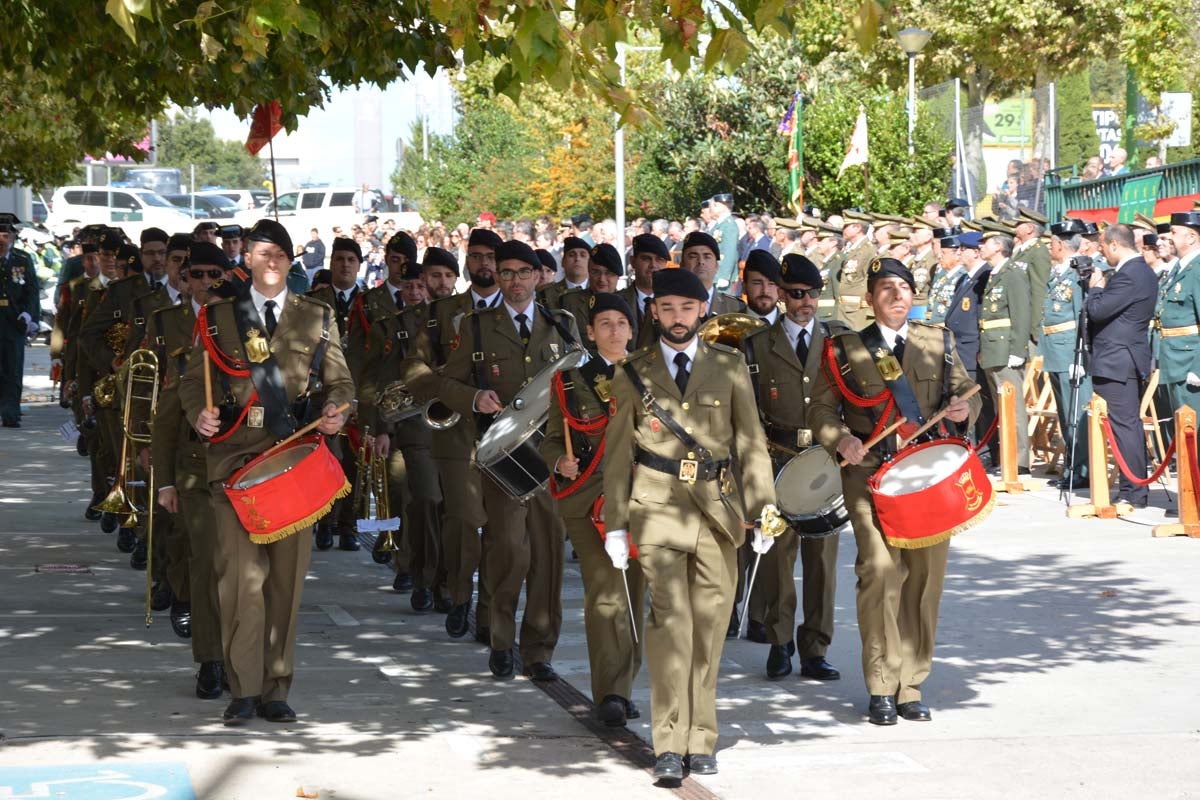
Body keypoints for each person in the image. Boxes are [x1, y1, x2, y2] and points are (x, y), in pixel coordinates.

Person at [602, 267, 778, 781]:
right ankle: (668, 741)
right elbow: (617, 457)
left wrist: (764, 509)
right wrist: (616, 524)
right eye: (666, 309)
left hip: (719, 513)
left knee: (710, 625)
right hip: (656, 509)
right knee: (669, 623)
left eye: (686, 309)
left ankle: (702, 733)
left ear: (703, 311)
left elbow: (751, 446)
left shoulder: (729, 366)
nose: (677, 319)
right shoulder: (632, 371)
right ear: (653, 312)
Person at [180, 219, 354, 726]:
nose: (272, 261)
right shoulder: (217, 318)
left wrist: (340, 409)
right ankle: (244, 688)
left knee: (285, 583)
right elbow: (193, 384)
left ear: (289, 258)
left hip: (292, 462)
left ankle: (277, 686)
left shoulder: (315, 316)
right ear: (248, 260)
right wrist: (200, 415)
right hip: (234, 462)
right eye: (263, 253)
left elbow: (341, 382)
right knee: (240, 582)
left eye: (280, 253)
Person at [809, 257, 980, 725]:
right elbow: (821, 409)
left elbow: (967, 390)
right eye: (886, 288)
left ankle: (911, 684)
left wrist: (964, 408)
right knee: (880, 574)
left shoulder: (937, 341)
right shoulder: (843, 348)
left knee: (924, 583)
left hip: (927, 482)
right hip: (870, 477)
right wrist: (837, 437)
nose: (897, 295)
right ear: (869, 299)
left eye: (904, 287)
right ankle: (881, 684)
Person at [438, 240, 579, 682]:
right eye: (506, 273)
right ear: (496, 277)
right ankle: (501, 638)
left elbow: (581, 380)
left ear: (539, 276)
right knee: (509, 552)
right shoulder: (477, 327)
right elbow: (444, 384)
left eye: (523, 272)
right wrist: (473, 397)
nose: (514, 281)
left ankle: (539, 650)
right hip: (503, 460)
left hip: (553, 459)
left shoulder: (561, 324)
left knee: (548, 555)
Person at [540, 292, 644, 727]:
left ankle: (624, 681)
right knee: (605, 595)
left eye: (621, 322)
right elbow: (549, 439)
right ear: (590, 331)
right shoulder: (569, 380)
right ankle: (612, 694)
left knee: (633, 597)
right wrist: (558, 462)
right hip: (589, 499)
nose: (614, 331)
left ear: (632, 329)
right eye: (605, 323)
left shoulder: (651, 373)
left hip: (641, 499)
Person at [741, 253, 844, 681]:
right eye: (797, 295)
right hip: (778, 458)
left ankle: (815, 649)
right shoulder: (757, 345)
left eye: (812, 295)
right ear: (781, 295)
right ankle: (780, 643)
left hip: (825, 462)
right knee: (777, 560)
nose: (805, 303)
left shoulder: (839, 342)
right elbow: (746, 413)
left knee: (822, 562)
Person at [401, 228, 503, 641]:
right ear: (466, 262)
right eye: (475, 256)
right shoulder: (443, 313)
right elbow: (414, 370)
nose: (483, 264)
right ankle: (460, 596)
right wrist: (457, 395)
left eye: (490, 257)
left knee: (504, 529)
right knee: (463, 520)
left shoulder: (523, 310)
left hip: (510, 435)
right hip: (457, 433)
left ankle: (490, 612)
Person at [149, 241, 231, 699]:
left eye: (213, 275)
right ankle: (211, 660)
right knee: (206, 564)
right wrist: (163, 478)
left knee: (241, 570)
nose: (203, 283)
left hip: (243, 467)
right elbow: (164, 416)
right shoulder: (175, 331)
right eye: (196, 274)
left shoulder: (246, 329)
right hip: (195, 467)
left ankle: (244, 658)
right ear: (185, 279)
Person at [357, 251, 450, 613]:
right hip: (414, 425)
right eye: (428, 279)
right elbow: (378, 381)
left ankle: (448, 579)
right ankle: (422, 576)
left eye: (446, 277)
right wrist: (380, 428)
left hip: (460, 428)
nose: (429, 287)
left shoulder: (463, 318)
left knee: (453, 511)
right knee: (425, 500)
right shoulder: (396, 324)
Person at [1087, 223, 1158, 508]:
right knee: (1121, 425)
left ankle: (1134, 490)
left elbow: (1098, 310)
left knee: (1125, 425)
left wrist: (1095, 290)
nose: (1101, 252)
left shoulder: (1131, 274)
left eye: (1103, 246)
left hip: (1119, 359)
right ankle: (1130, 488)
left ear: (1116, 244)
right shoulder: (1132, 272)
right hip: (1116, 357)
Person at [307, 237, 367, 552]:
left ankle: (349, 526)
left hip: (358, 392)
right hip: (323, 393)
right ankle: (326, 522)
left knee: (355, 464)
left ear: (359, 265)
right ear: (331, 263)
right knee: (328, 458)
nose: (345, 265)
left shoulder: (370, 303)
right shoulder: (313, 301)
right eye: (340, 259)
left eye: (351, 260)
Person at [1040, 220, 1092, 490]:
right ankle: (1072, 465)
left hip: (1070, 350)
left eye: (1052, 243)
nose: (1050, 247)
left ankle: (1082, 469)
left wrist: (1079, 357)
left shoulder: (1078, 272)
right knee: (1064, 414)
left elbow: (1081, 317)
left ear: (1061, 245)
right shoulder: (1058, 272)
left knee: (1077, 413)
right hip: (1054, 349)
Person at [978, 231, 1032, 474]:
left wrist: (1018, 349)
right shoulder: (995, 274)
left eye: (985, 243)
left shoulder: (1012, 274)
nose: (981, 247)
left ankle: (1019, 461)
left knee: (1014, 408)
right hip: (992, 348)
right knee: (1002, 408)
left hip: (1006, 348)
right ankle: (1007, 457)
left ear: (998, 246)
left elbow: (1021, 313)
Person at [1154, 213, 1200, 416]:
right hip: (1172, 361)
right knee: (1179, 432)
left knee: (1192, 432)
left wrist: (1198, 369)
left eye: (1173, 232)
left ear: (1191, 237)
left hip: (1188, 364)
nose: (1168, 238)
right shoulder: (1177, 269)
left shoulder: (1197, 269)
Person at [0, 213, 40, 428]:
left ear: (12, 238)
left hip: (14, 321)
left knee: (12, 367)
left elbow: (32, 290)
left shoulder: (22, 259)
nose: (2, 240)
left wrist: (29, 314)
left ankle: (10, 412)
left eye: (6, 235)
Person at [618, 233, 669, 351]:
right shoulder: (616, 302)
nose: (653, 265)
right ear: (632, 261)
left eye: (659, 259)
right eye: (646, 258)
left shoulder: (675, 304)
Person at [679, 231, 746, 318]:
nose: (701, 262)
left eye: (707, 256)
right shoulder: (669, 306)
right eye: (693, 257)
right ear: (682, 265)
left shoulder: (735, 307)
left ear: (716, 266)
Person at [837, 212, 877, 329]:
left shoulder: (868, 250)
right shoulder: (851, 250)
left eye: (846, 226)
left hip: (857, 311)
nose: (842, 229)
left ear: (858, 228)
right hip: (845, 310)